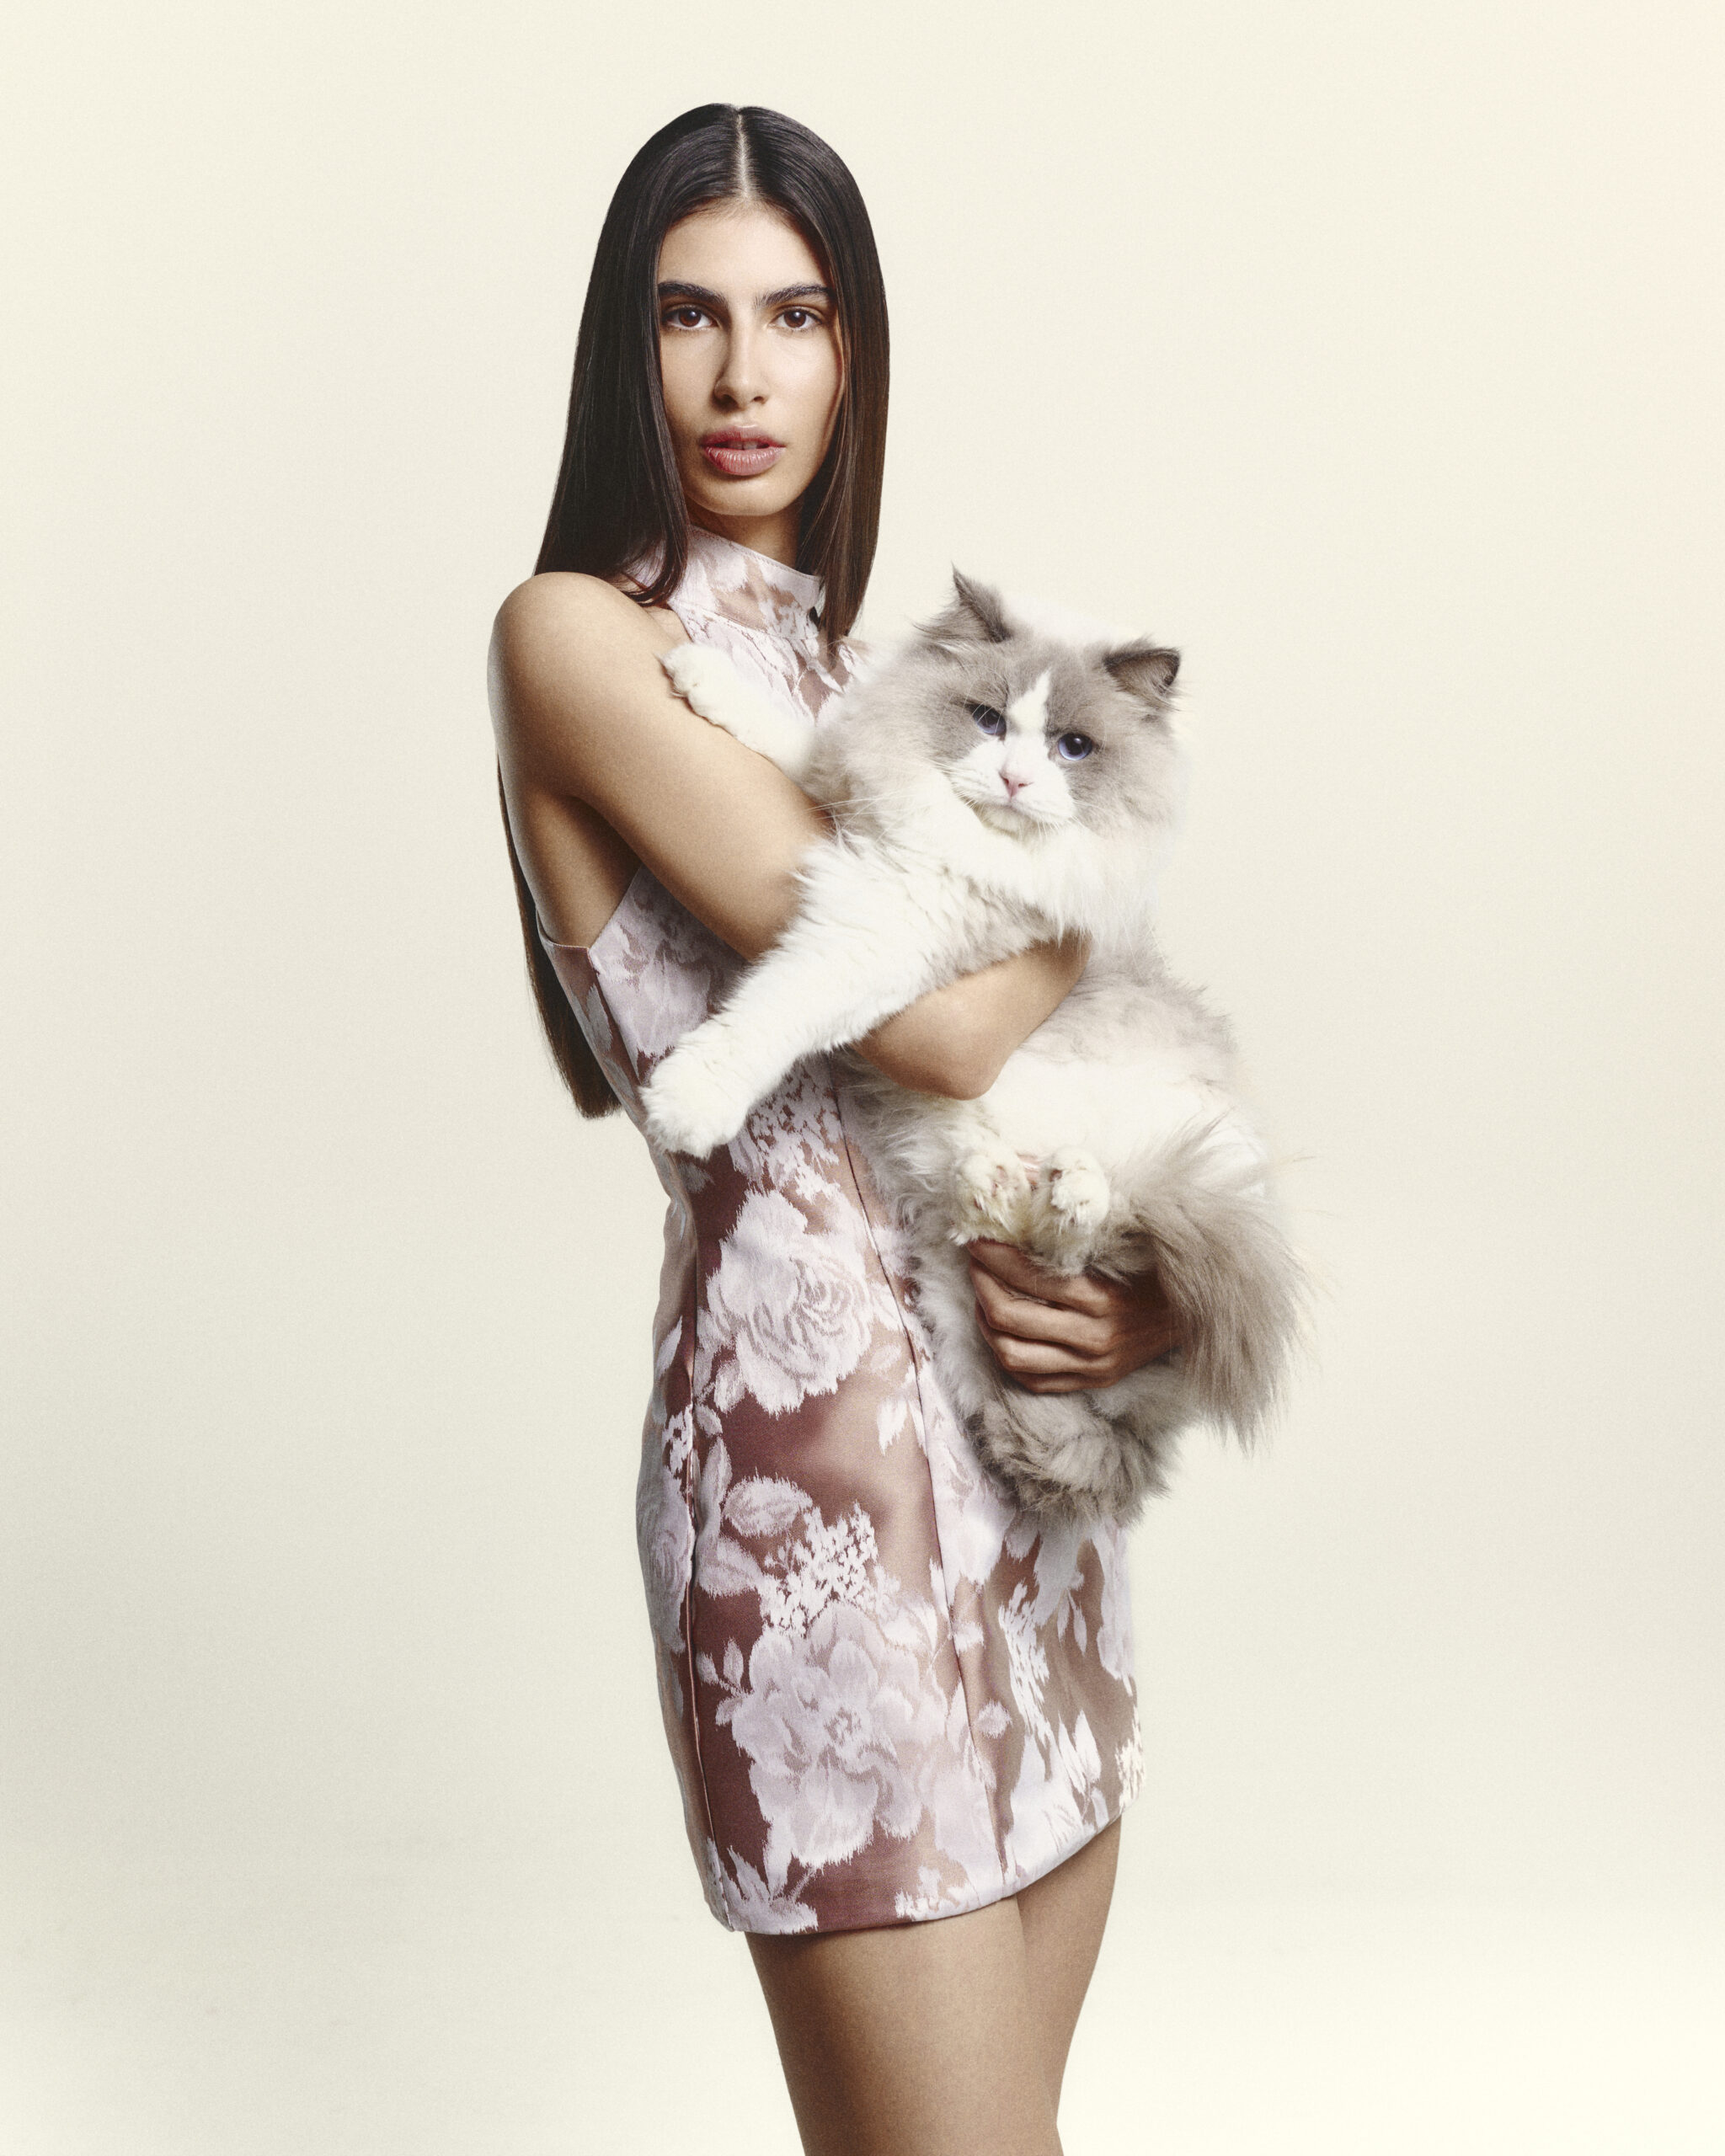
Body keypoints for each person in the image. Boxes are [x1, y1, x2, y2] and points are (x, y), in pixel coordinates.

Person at [489, 104, 1185, 2156]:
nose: (742, 374)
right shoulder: (575, 639)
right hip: (816, 1515)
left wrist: (1136, 1310)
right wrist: (1094, 885)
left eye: (794, 316)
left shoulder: (862, 673)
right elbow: (952, 1022)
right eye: (687, 315)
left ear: (853, 350)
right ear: (625, 348)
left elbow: (1029, 1088)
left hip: (1015, 1477)